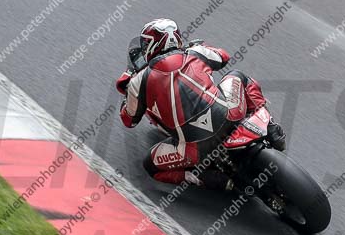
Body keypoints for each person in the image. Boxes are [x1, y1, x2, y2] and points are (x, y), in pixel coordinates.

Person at [115, 18, 286, 189]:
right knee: (238, 76)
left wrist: (127, 96)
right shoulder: (194, 52)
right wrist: (200, 46)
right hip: (229, 116)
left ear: (153, 44)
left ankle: (218, 182)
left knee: (150, 165)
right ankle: (271, 127)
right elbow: (223, 56)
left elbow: (129, 120)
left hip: (194, 148)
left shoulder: (137, 81)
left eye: (146, 44)